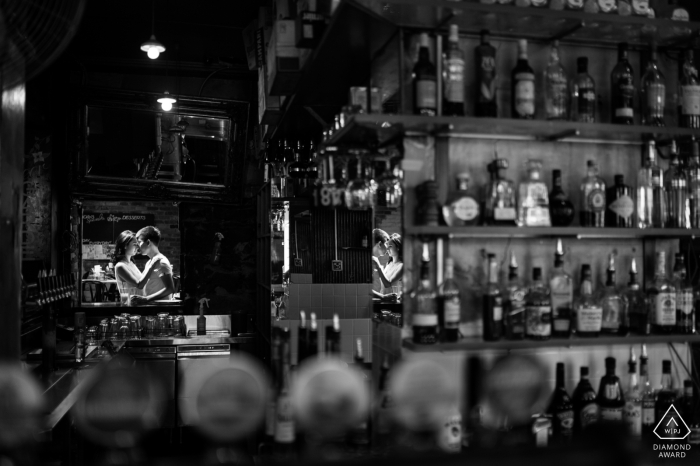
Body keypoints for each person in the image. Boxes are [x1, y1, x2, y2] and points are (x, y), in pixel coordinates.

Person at [129, 226, 175, 304]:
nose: (137, 246)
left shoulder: (161, 262)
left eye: (139, 242)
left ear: (148, 242)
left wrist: (146, 299)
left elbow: (170, 289)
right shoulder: (150, 262)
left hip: (160, 309)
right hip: (152, 307)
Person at [112, 230, 161, 297]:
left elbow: (142, 279)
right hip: (130, 304)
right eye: (134, 244)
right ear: (125, 246)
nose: (137, 247)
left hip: (139, 302)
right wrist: (151, 265)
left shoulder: (131, 263)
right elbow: (139, 285)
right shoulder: (120, 266)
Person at [372, 229, 391, 298]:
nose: (388, 248)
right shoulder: (369, 261)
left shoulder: (376, 260)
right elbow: (364, 288)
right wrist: (382, 297)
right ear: (379, 244)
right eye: (386, 243)